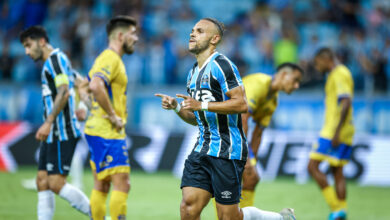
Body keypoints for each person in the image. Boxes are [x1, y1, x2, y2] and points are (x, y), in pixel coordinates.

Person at [156, 18, 295, 220]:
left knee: (229, 217)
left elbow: (241, 104)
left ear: (214, 39)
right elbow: (197, 118)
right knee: (188, 208)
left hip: (227, 152)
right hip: (201, 150)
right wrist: (177, 107)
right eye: (192, 30)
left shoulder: (222, 65)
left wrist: (201, 105)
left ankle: (279, 218)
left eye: (200, 31)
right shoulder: (192, 73)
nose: (192, 34)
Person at [19, 26, 90, 220]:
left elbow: (65, 91)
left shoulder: (55, 59)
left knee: (56, 183)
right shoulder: (54, 63)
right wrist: (82, 103)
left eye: (28, 45)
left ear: (41, 41)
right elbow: (81, 82)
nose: (26, 51)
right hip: (53, 132)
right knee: (42, 181)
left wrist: (49, 121)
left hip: (62, 130)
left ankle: (99, 215)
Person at [84, 15, 138, 220]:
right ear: (121, 35)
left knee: (102, 184)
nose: (137, 38)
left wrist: (85, 106)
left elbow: (85, 84)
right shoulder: (110, 58)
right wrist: (113, 115)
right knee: (122, 183)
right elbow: (95, 86)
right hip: (107, 131)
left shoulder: (107, 58)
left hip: (97, 129)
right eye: (133, 34)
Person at [240, 63, 303, 208]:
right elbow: (242, 118)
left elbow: (258, 133)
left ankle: (241, 215)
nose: (296, 86)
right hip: (222, 128)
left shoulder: (273, 102)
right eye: (295, 80)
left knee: (252, 177)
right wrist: (245, 157)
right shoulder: (259, 83)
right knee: (229, 179)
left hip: (235, 134)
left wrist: (252, 161)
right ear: (283, 75)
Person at [308, 48, 354, 220]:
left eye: (317, 62)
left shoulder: (340, 73)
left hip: (334, 131)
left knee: (312, 166)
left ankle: (336, 208)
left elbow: (346, 101)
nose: (317, 66)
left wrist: (336, 132)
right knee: (337, 171)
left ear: (325, 59)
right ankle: (342, 210)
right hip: (341, 130)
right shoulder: (335, 74)